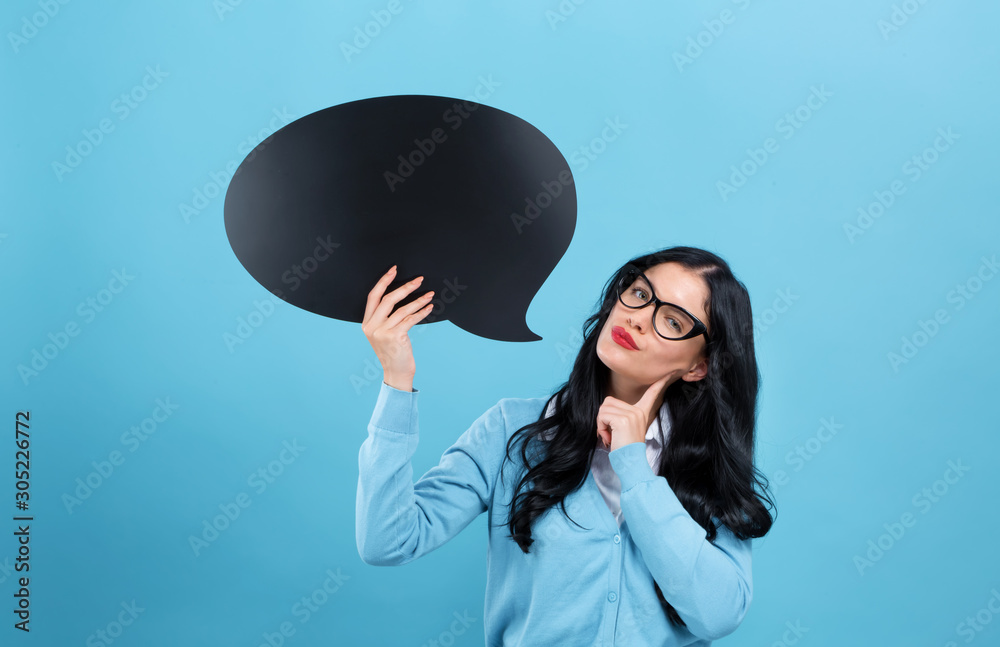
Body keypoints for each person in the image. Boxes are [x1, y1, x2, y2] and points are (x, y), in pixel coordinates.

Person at [356, 246, 775, 646]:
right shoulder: (512, 429)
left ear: (698, 366)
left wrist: (634, 465)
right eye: (640, 294)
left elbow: (718, 615)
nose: (638, 319)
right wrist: (397, 378)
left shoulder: (708, 465)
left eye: (673, 322)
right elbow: (388, 541)